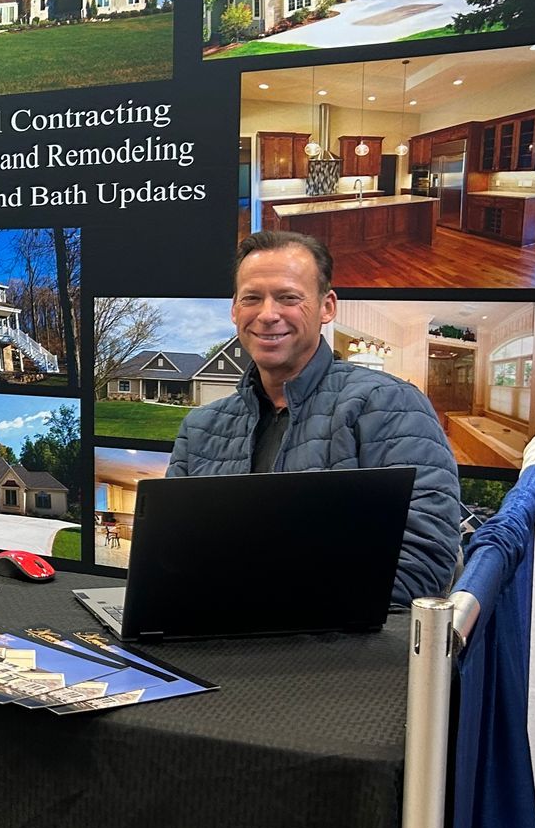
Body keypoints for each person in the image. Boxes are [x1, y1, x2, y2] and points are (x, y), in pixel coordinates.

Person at [167, 229, 461, 603]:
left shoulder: (390, 406)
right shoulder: (199, 429)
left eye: (289, 298)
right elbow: (169, 556)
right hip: (207, 642)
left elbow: (424, 564)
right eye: (252, 299)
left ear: (328, 307)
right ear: (234, 310)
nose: (268, 314)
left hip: (337, 653)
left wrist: (274, 609)